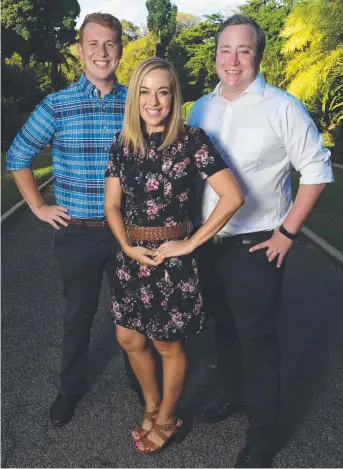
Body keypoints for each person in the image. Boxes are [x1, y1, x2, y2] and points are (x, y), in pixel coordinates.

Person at [188, 14, 334, 468]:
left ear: (258, 55)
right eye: (225, 50)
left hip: (257, 246)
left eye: (243, 51)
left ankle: (263, 438)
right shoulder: (199, 108)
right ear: (216, 55)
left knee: (258, 343)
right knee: (226, 331)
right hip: (210, 244)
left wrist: (289, 232)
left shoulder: (282, 107)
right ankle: (232, 395)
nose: (233, 60)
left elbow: (317, 169)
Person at [104, 57, 244, 454]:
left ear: (174, 96)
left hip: (172, 262)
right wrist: (127, 245)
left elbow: (233, 196)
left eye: (163, 91)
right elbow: (112, 205)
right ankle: (151, 405)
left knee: (167, 345)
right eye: (145, 91)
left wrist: (191, 243)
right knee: (128, 337)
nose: (154, 101)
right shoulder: (123, 142)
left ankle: (168, 417)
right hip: (130, 257)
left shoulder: (192, 140)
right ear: (135, 97)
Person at [6, 13, 138, 427]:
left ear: (119, 50)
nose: (102, 52)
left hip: (127, 233)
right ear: (79, 50)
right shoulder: (57, 105)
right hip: (76, 232)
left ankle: (139, 378)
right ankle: (70, 388)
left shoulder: (134, 103)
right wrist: (39, 207)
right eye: (93, 44)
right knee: (78, 314)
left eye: (110, 44)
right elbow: (18, 156)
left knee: (132, 311)